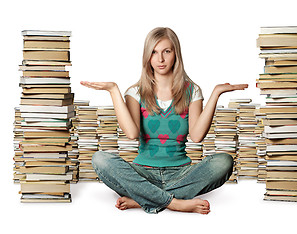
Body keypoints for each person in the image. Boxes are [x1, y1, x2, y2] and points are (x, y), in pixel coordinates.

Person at [80, 27, 248, 214]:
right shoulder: (135, 92)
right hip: (142, 173)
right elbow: (131, 134)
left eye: (166, 51)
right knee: (100, 159)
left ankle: (142, 199)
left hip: (181, 174)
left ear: (176, 53)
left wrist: (216, 93)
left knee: (224, 161)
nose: (160, 59)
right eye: (154, 52)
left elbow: (197, 136)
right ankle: (174, 203)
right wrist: (113, 90)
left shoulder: (192, 91)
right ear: (147, 56)